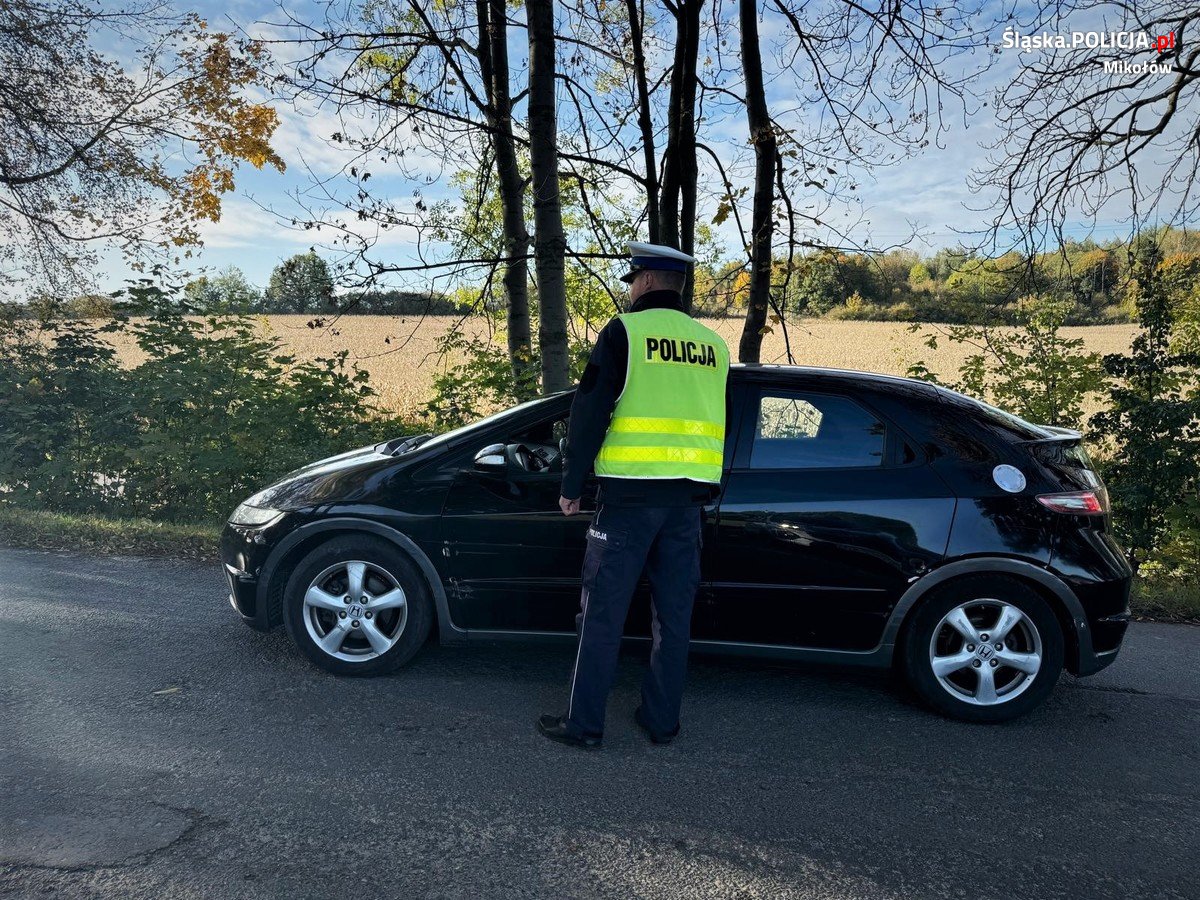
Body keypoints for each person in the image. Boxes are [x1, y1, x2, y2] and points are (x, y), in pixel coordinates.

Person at [537, 241, 731, 749]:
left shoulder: (626, 333)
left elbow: (589, 412)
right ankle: (662, 721)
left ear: (645, 280)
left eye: (632, 280)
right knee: (673, 617)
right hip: (687, 506)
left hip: (628, 502)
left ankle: (584, 727)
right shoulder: (713, 345)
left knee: (601, 613)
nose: (630, 289)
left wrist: (571, 486)